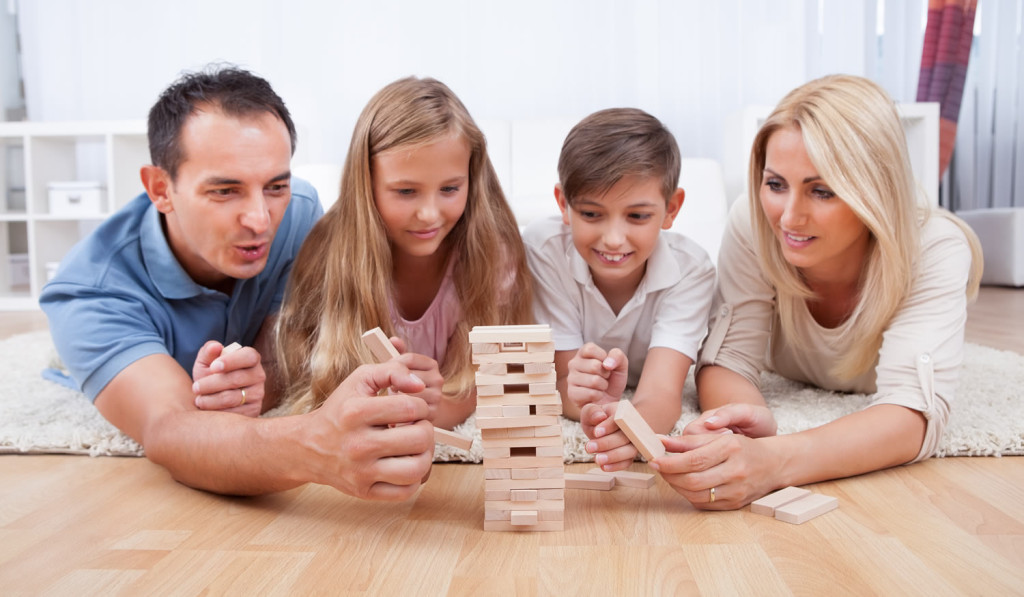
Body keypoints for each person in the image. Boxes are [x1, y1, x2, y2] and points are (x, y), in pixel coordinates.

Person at [40, 66, 437, 501]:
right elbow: (169, 430)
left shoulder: (300, 210)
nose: (260, 220)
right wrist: (317, 446)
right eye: (225, 191)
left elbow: (289, 355)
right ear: (160, 189)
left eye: (274, 185)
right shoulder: (90, 290)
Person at [650, 74, 984, 510]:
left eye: (821, 191)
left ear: (875, 190)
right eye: (775, 184)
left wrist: (774, 461)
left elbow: (913, 416)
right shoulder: (753, 222)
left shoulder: (935, 246)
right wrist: (744, 425)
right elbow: (728, 360)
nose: (788, 217)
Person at [275, 76, 533, 429]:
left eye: (449, 188)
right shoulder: (329, 249)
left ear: (471, 179)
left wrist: (429, 408)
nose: (429, 213)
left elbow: (475, 388)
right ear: (366, 184)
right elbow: (312, 381)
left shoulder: (490, 253)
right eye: (406, 191)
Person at [523, 108, 716, 472]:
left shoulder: (692, 270)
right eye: (592, 214)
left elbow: (661, 393)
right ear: (563, 204)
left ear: (671, 209)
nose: (613, 240)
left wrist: (630, 431)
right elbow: (565, 385)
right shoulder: (545, 248)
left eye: (637, 216)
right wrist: (583, 399)